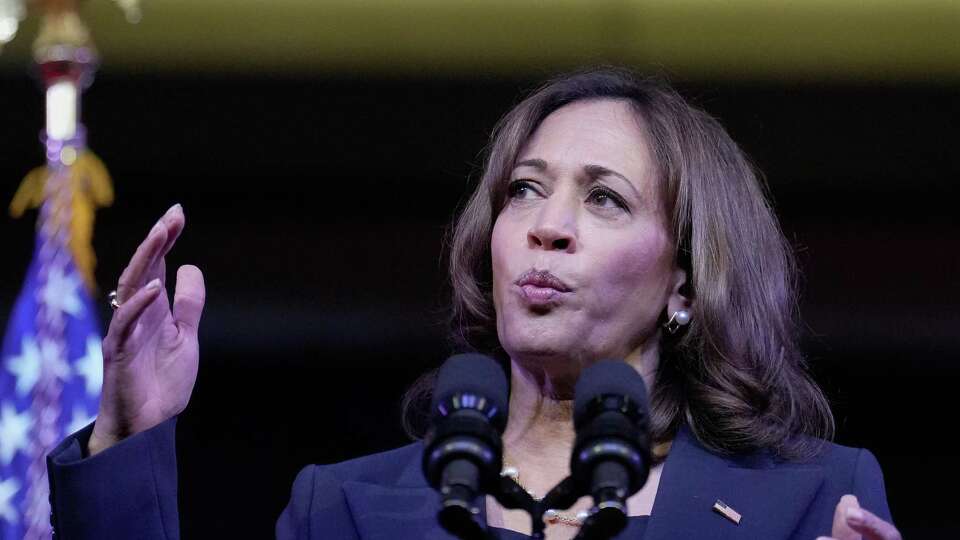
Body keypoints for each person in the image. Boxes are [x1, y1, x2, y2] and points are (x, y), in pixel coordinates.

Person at [46, 68, 901, 540]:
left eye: (605, 199)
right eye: (524, 191)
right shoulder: (343, 510)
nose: (547, 228)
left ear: (684, 276)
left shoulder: (811, 502)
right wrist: (130, 436)